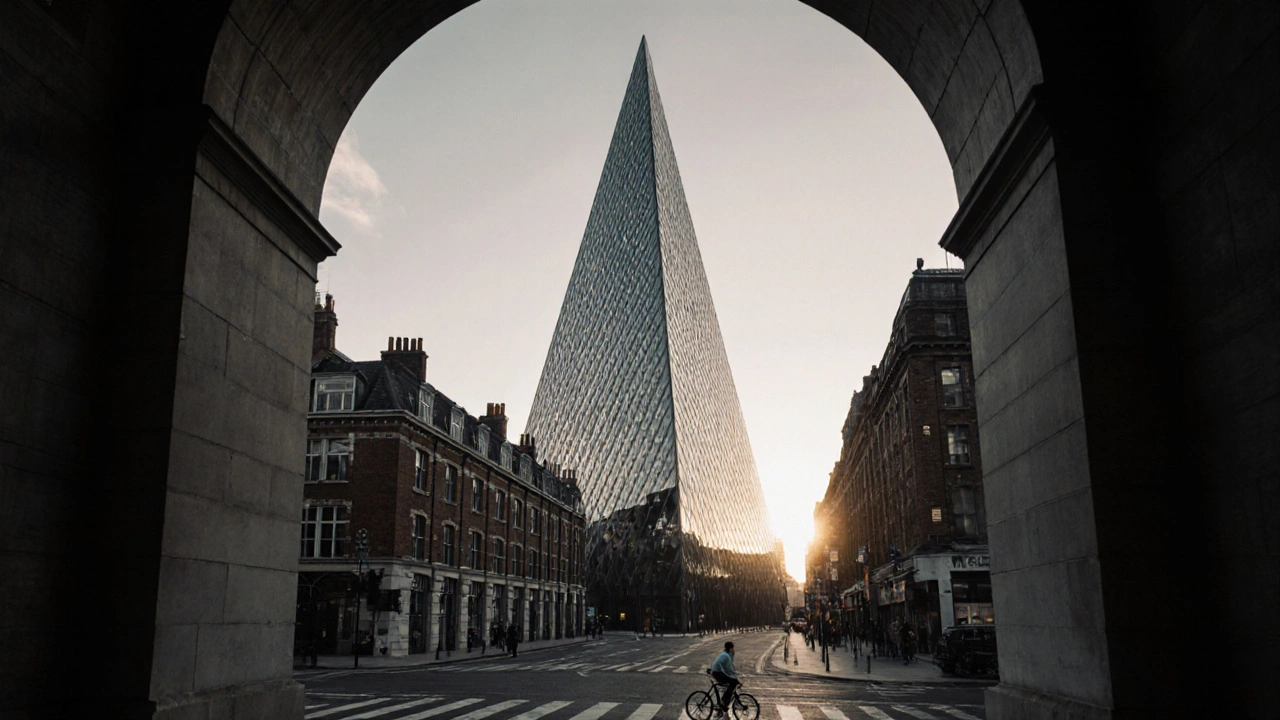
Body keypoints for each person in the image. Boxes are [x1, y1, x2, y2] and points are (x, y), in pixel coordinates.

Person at [709, 641, 739, 719]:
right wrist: (734, 677)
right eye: (732, 648)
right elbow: (728, 669)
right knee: (733, 683)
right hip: (718, 673)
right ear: (731, 648)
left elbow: (729, 667)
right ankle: (724, 701)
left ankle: (723, 702)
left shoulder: (726, 654)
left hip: (717, 672)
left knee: (731, 683)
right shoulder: (726, 656)